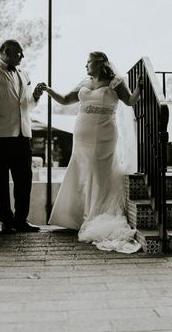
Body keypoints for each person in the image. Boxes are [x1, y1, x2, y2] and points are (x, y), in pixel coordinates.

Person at [40, 51, 143, 253]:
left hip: (104, 135)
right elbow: (64, 100)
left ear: (100, 63)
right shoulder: (84, 81)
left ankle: (95, 216)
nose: (85, 66)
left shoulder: (116, 82)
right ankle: (75, 218)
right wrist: (47, 89)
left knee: (98, 175)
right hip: (81, 136)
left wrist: (139, 88)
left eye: (89, 62)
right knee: (81, 173)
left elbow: (130, 101)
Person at [0, 40, 44, 233]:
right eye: (18, 53)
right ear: (5, 52)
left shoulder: (23, 74)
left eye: (22, 53)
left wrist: (36, 96)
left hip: (23, 136)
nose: (22, 57)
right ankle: (6, 221)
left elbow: (26, 106)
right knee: (1, 181)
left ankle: (21, 220)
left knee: (25, 179)